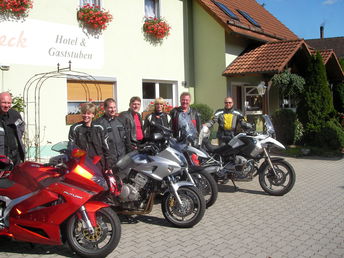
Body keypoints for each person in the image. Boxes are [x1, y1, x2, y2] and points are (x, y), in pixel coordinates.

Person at [68, 102, 113, 172]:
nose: (86, 115)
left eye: (88, 113)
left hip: (99, 163)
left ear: (93, 115)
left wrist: (108, 166)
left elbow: (106, 148)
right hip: (83, 164)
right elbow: (71, 147)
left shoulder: (100, 127)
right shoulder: (75, 128)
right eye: (84, 113)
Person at [94, 98, 131, 165]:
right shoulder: (98, 123)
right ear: (105, 108)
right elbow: (98, 145)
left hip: (122, 158)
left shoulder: (121, 121)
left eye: (114, 107)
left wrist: (129, 155)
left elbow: (127, 140)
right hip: (108, 160)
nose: (113, 110)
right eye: (110, 108)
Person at [0, 92, 25, 165]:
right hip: (1, 158)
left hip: (15, 156)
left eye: (9, 103)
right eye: (4, 103)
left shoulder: (15, 114)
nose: (7, 105)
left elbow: (21, 126)